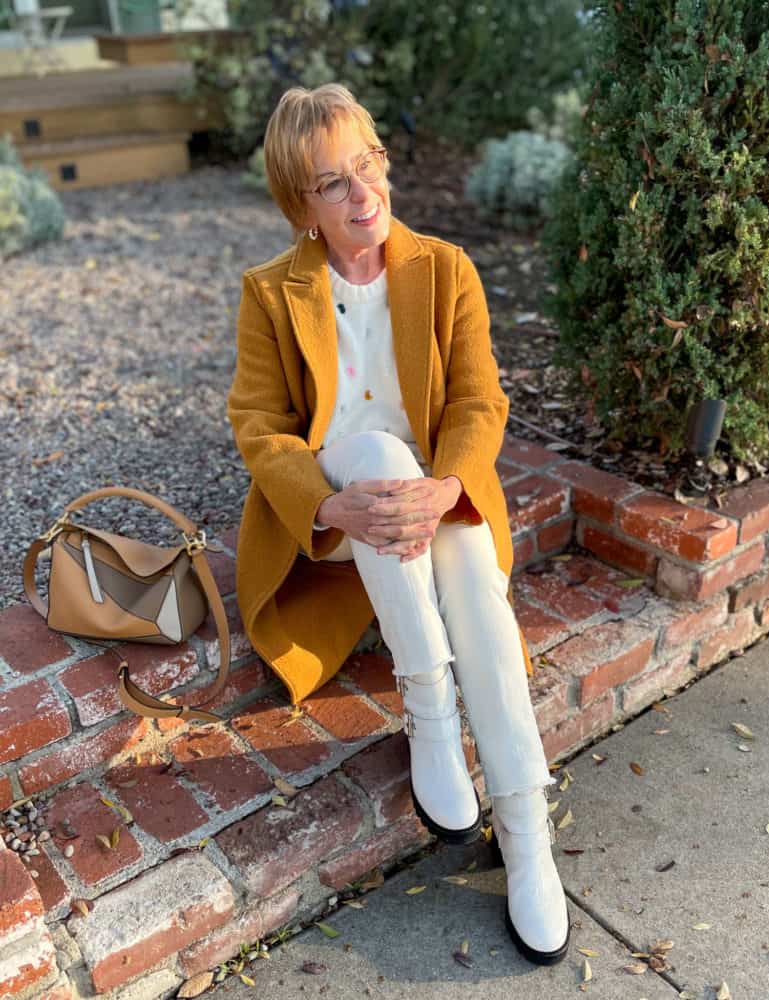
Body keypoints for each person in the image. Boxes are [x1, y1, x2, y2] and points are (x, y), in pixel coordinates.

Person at [226, 83, 570, 966]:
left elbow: (479, 399)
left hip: (432, 496)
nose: (362, 195)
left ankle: (527, 829)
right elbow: (261, 428)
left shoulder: (444, 267)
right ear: (299, 205)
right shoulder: (270, 293)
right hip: (342, 507)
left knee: (471, 578)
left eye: (368, 165)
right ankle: (427, 705)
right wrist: (329, 501)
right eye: (331, 182)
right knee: (377, 457)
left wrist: (449, 484)